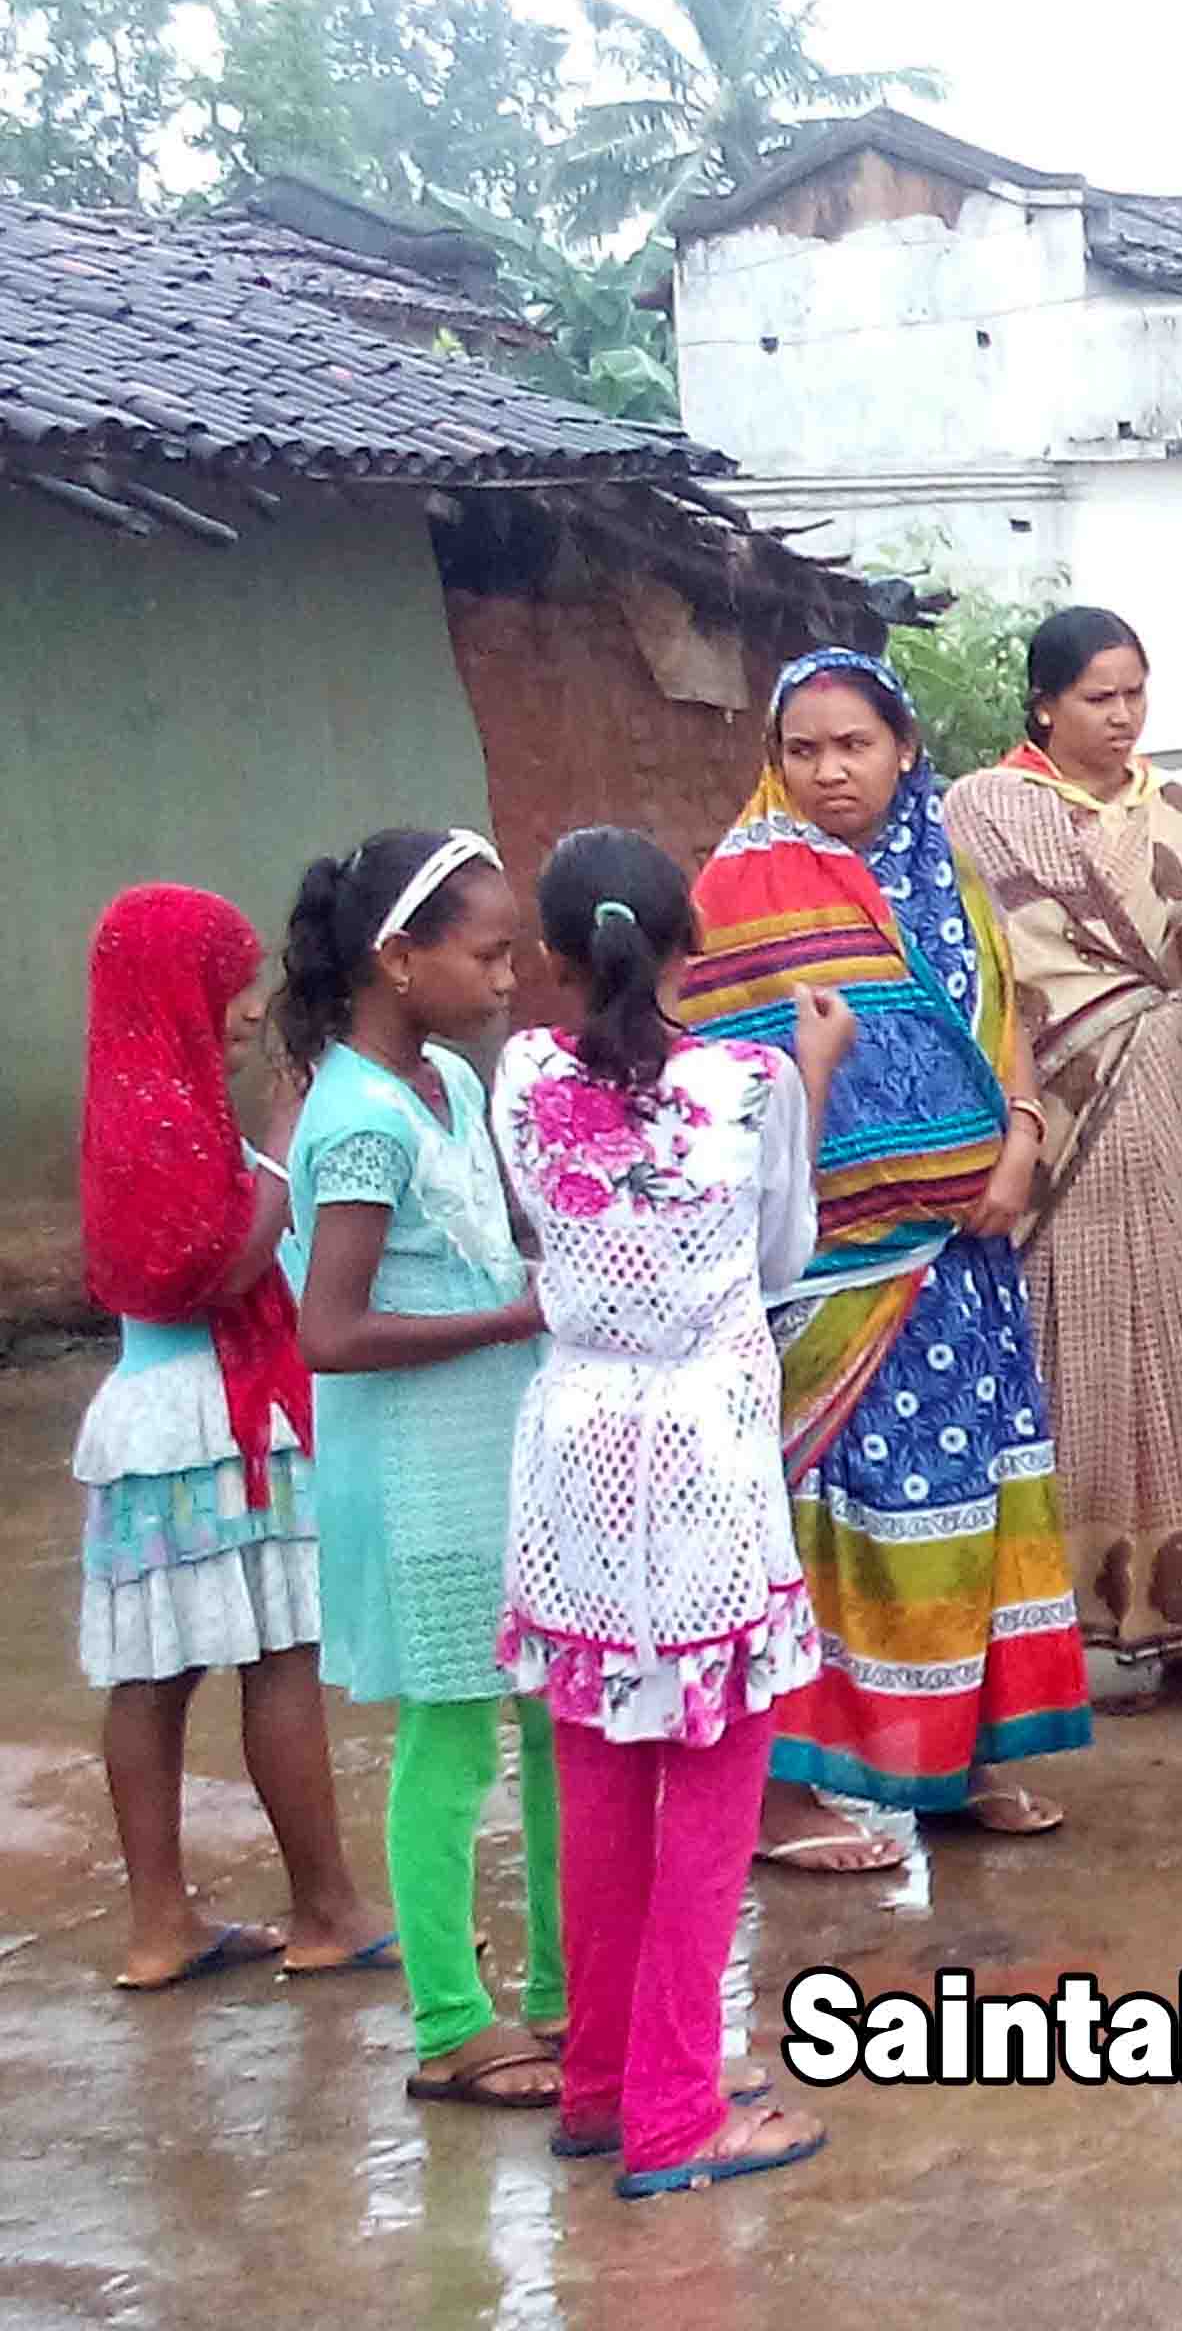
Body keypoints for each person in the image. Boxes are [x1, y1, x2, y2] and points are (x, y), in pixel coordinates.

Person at [686, 649, 1092, 1869]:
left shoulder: (949, 878)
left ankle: (954, 1759)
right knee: (830, 1522)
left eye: (854, 745)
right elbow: (720, 1075)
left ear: (905, 749)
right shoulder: (739, 890)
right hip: (828, 1278)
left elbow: (1000, 1024)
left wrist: (1019, 1141)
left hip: (965, 1271)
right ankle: (786, 1795)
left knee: (967, 1503)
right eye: (802, 749)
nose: (830, 771)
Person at [494, 828, 840, 2196]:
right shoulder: (752, 1085)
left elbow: (539, 1234)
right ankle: (678, 2110)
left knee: (593, 1775)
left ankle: (602, 2083)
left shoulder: (521, 1080)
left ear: (553, 958)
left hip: (574, 1451)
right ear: (691, 944)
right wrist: (814, 1080)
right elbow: (784, 1253)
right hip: (704, 1453)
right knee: (710, 1786)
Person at [944, 607, 1182, 1708]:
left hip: (1159, 1093)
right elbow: (973, 970)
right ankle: (1037, 1632)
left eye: (1136, 693)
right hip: (1048, 1111)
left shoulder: (1177, 809)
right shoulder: (983, 811)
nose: (1124, 716)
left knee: (1169, 1346)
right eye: (1099, 697)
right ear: (1044, 704)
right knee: (1057, 1349)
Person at [279, 829, 562, 2105]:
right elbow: (329, 1332)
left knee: (552, 1719)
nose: (508, 979)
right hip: (419, 1479)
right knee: (450, 1740)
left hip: (498, 1458)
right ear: (398, 960)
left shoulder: (445, 1077)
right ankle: (450, 2020)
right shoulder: (357, 1121)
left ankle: (562, 1989)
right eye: (488, 955)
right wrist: (510, 1319)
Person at [74, 886, 393, 1992]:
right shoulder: (167, 1115)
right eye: (230, 982)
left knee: (153, 1678)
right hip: (211, 1418)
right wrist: (284, 1142)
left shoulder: (133, 1099)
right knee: (281, 1658)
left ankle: (160, 1923)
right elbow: (220, 1266)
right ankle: (328, 1907)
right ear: (177, 988)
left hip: (152, 1412)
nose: (252, 1007)